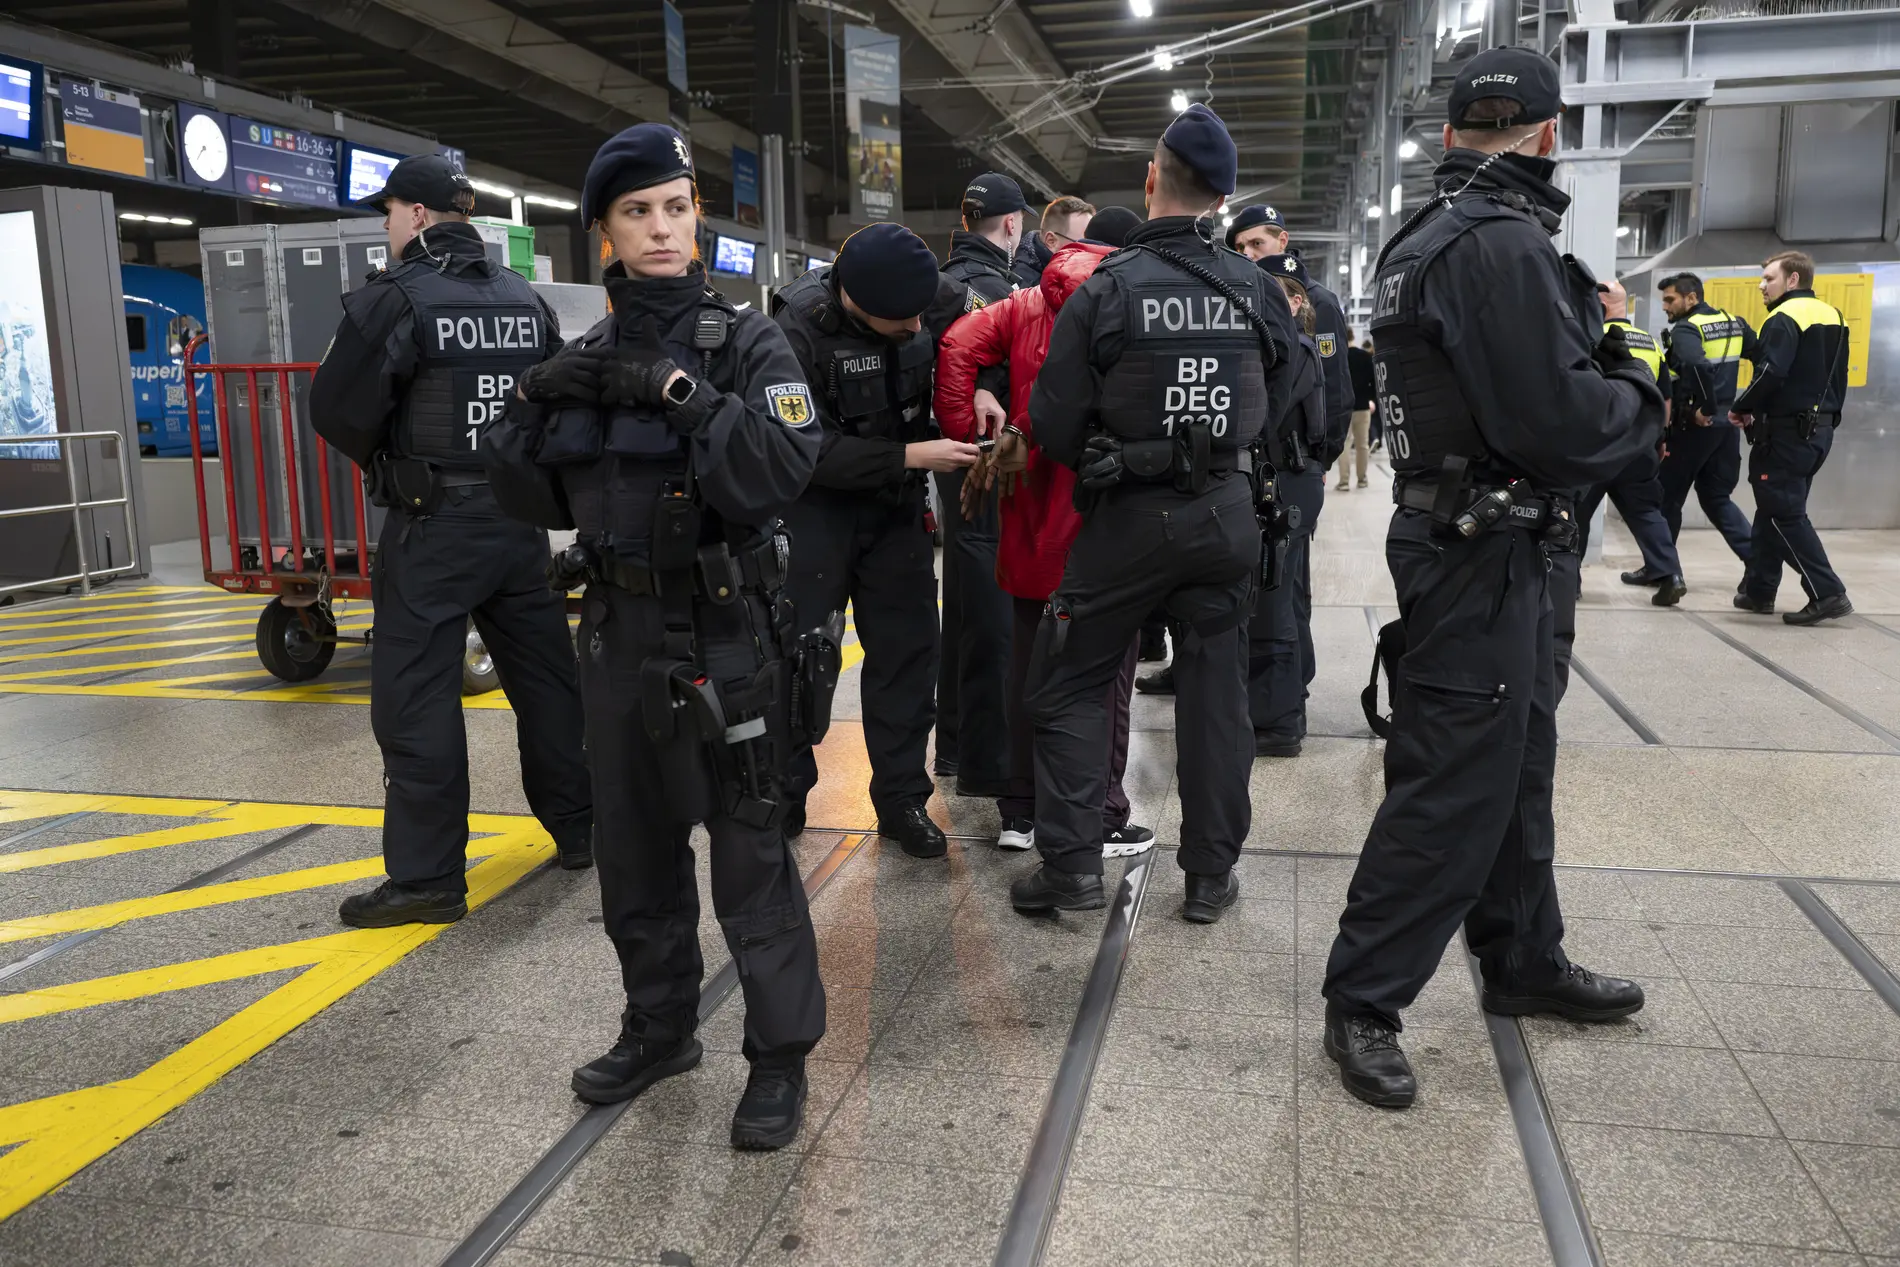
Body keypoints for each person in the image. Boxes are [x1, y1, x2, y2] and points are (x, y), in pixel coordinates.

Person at [1324, 48, 1662, 1109]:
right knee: (1454, 777)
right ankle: (1364, 998)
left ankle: (1521, 954)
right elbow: (1564, 426)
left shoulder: (1429, 235)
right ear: (1549, 133)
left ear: (1451, 132)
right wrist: (1633, 363)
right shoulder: (1500, 244)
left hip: (1484, 540)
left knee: (1516, 761)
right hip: (1484, 549)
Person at [478, 124, 825, 1149]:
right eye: (638, 212)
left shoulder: (749, 343)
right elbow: (530, 493)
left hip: (726, 634)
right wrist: (529, 403)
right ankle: (660, 1025)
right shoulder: (582, 356)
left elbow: (779, 469)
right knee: (632, 848)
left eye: (676, 208)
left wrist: (683, 397)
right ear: (606, 233)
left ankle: (778, 1057)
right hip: (616, 633)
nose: (662, 229)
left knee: (750, 853)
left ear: (697, 217)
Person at [1010, 104, 1297, 922]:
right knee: (1217, 696)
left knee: (1072, 677)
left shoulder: (1107, 288)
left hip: (1126, 522)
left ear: (1150, 180)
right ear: (1221, 199)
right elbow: (1286, 396)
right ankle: (1208, 876)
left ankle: (1071, 868)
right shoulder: (1254, 287)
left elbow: (1053, 419)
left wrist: (1120, 454)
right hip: (1225, 517)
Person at [309, 154, 593, 929]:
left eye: (389, 212)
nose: (387, 226)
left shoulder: (396, 298)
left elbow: (333, 408)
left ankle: (428, 878)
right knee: (548, 683)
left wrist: (392, 457)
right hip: (518, 521)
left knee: (416, 698)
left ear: (417, 215)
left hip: (432, 524)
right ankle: (582, 828)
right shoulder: (523, 297)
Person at [934, 222, 1154, 861]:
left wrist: (971, 441)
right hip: (1105, 524)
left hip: (1028, 516)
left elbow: (956, 345)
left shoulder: (1024, 300)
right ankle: (1103, 814)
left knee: (1028, 669)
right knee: (1107, 678)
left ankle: (1020, 810)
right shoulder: (1129, 300)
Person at [774, 224, 978, 857]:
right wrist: (913, 454)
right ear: (854, 301)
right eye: (901, 320)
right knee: (801, 659)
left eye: (921, 313)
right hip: (818, 513)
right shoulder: (796, 328)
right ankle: (785, 797)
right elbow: (805, 449)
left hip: (896, 513)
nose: (917, 326)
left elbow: (989, 331)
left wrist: (984, 384)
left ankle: (902, 801)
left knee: (908, 657)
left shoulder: (928, 292)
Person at [934, 174, 1030, 795]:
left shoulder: (943, 283)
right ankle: (987, 764)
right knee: (993, 611)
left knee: (964, 605)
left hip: (951, 457)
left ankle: (953, 746)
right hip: (991, 460)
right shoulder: (1002, 291)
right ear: (1013, 224)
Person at [1730, 250, 1853, 625]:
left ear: (1793, 279)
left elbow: (1772, 372)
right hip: (1817, 431)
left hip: (1785, 434)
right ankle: (1759, 590)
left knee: (1784, 513)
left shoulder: (1784, 316)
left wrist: (1742, 406)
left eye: (1769, 278)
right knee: (1773, 508)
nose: (1762, 286)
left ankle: (1828, 592)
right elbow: (1833, 375)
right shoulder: (1833, 315)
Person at [1249, 256, 1328, 758]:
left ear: (1297, 302)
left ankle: (1277, 720)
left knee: (1273, 598)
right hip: (1291, 479)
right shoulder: (1293, 346)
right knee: (1289, 594)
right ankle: (1291, 695)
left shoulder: (1292, 349)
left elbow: (1265, 417)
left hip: (1287, 480)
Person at [1580, 279, 1685, 606]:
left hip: (1598, 444)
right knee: (1646, 512)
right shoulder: (1650, 343)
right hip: (1640, 444)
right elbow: (1665, 396)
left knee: (1576, 512)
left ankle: (1568, 582)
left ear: (1600, 305)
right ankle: (1671, 575)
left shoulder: (1591, 337)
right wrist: (1660, 437)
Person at [1655, 272, 1756, 566]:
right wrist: (1748, 404)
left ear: (1692, 298)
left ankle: (1663, 570)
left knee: (1666, 498)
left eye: (1670, 299)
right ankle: (1758, 567)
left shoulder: (1686, 330)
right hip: (1727, 427)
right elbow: (1766, 360)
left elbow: (1695, 365)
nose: (1665, 306)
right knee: (1716, 498)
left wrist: (1706, 408)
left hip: (1694, 426)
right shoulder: (1734, 324)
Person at [1014, 195, 1097, 290]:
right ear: (1051, 241)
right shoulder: (1022, 285)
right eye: (1083, 245)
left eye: (1095, 244)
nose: (1092, 252)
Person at [1341, 332, 1375, 489]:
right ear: (1353, 337)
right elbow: (1373, 381)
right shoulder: (1365, 356)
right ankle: (1362, 479)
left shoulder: (1341, 357)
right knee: (1362, 445)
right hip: (1362, 405)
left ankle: (1344, 481)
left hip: (1344, 407)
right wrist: (1371, 399)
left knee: (1344, 445)